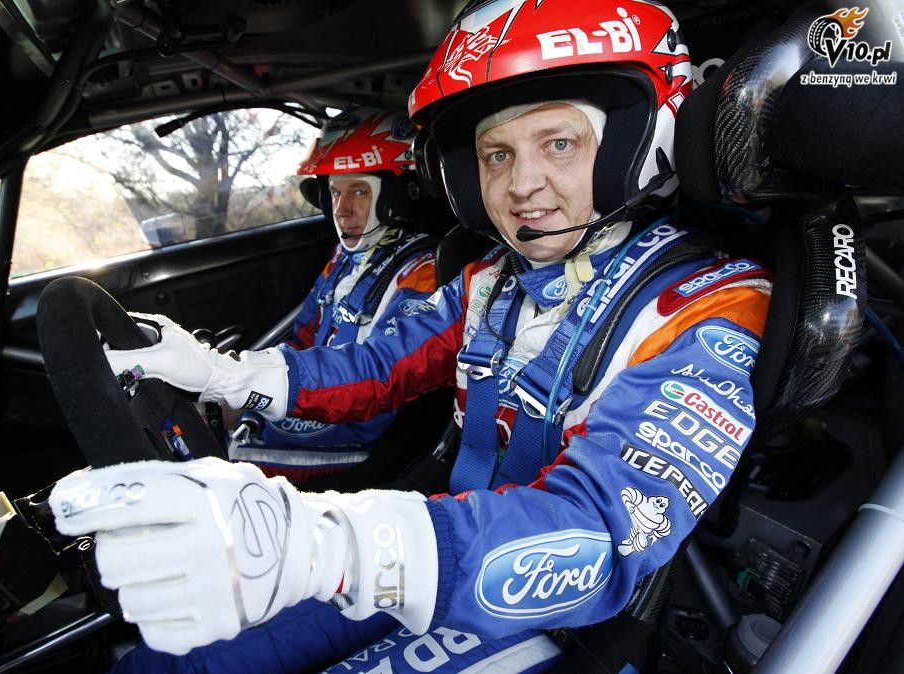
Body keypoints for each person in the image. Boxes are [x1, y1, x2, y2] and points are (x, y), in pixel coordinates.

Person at [49, 1, 772, 672]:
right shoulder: (493, 279)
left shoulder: (709, 305)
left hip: (557, 609)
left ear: (635, 143)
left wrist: (333, 547)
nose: (522, 184)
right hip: (434, 540)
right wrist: (223, 375)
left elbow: (598, 532)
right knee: (171, 660)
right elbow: (376, 366)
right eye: (496, 155)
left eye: (558, 143)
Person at [228, 108, 438, 482]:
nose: (342, 210)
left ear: (396, 194)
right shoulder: (345, 257)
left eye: (359, 191)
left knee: (223, 459)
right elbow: (303, 338)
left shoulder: (422, 272)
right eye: (335, 193)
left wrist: (260, 413)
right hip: (318, 402)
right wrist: (253, 396)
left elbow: (380, 384)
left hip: (363, 435)